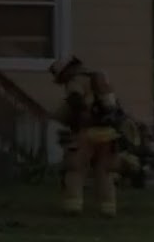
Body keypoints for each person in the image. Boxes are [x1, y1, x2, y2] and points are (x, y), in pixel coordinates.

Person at [49, 55, 124, 217]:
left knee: (75, 169)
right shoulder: (101, 80)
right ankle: (108, 208)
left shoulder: (75, 81)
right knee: (105, 172)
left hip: (85, 133)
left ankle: (73, 205)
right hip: (108, 133)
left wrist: (71, 118)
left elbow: (75, 100)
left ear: (65, 72)